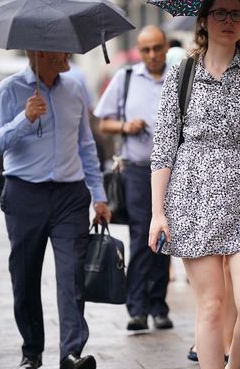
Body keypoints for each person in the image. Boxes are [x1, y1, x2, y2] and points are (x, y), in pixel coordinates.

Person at [148, 0, 240, 369]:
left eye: (237, 15)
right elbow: (164, 148)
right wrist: (157, 213)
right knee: (210, 306)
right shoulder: (182, 74)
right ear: (204, 20)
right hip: (194, 198)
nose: (229, 21)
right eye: (220, 14)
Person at [0, 50, 110, 369]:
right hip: (24, 193)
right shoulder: (8, 90)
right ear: (38, 52)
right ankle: (32, 351)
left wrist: (99, 195)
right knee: (25, 277)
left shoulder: (75, 88)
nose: (68, 53)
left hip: (70, 194)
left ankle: (71, 352)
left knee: (71, 274)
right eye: (60, 47)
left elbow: (86, 146)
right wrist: (24, 119)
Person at [94, 25, 173, 332]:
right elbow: (104, 123)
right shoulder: (126, 78)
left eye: (157, 48)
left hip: (173, 170)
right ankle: (137, 308)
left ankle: (159, 305)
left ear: (166, 47)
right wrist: (125, 127)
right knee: (142, 237)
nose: (152, 55)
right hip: (138, 170)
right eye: (146, 49)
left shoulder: (179, 79)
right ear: (139, 52)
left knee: (167, 239)